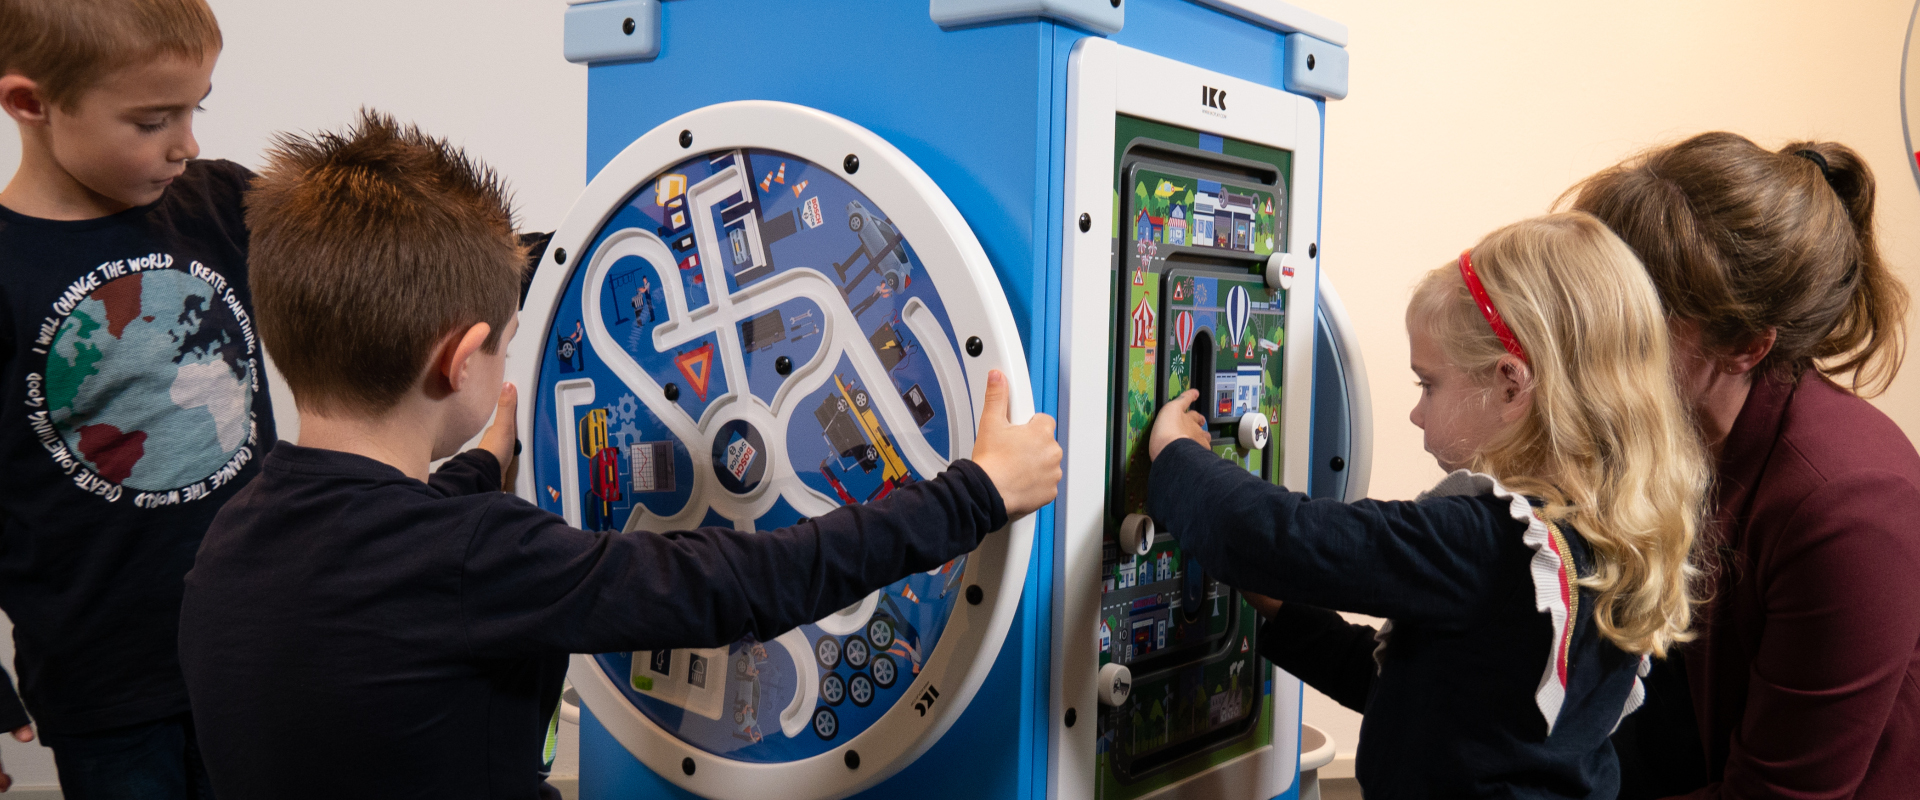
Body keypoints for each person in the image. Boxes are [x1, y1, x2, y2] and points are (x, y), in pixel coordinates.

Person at [175, 111, 1064, 799]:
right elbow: (743, 585)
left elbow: (385, 570)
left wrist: (480, 468)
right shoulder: (474, 558)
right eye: (508, 344)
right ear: (459, 359)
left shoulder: (233, 540)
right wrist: (977, 492)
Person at [1146, 212, 1711, 798]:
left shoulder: (1488, 539)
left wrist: (1175, 456)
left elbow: (1280, 537)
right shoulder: (1602, 533)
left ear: (1511, 386)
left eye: (1428, 384)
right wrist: (1283, 611)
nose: (1417, 411)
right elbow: (1416, 694)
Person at [1572, 132, 1920, 800]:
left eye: (1630, 317)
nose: (1584, 339)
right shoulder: (1659, 445)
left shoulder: (1848, 504)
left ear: (1745, 346)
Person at [0, 0, 270, 795]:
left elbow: (379, 260)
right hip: (105, 685)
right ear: (30, 102)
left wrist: (553, 254)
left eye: (197, 107)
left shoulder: (221, 203)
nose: (187, 144)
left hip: (260, 645)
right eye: (154, 120)